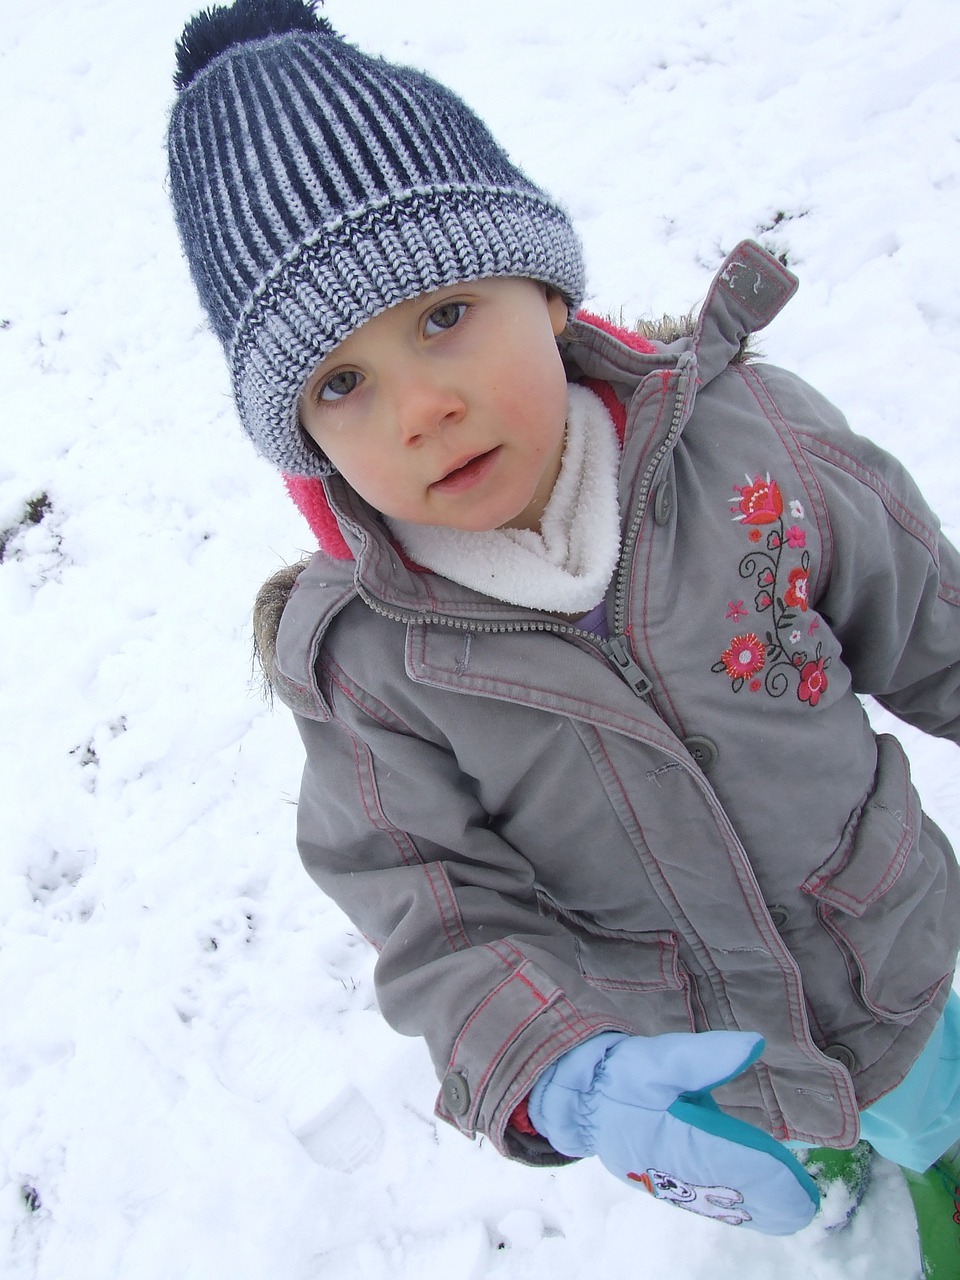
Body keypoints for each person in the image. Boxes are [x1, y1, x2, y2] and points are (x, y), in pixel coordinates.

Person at [166, 0, 960, 1261]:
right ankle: (822, 1137)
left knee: (934, 1112)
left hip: (890, 957)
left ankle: (933, 1161)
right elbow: (433, 908)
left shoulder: (758, 451)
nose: (423, 406)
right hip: (698, 1046)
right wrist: (556, 1062)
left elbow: (933, 627)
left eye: (441, 314)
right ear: (305, 448)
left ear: (544, 289)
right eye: (341, 383)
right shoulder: (370, 666)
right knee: (781, 1137)